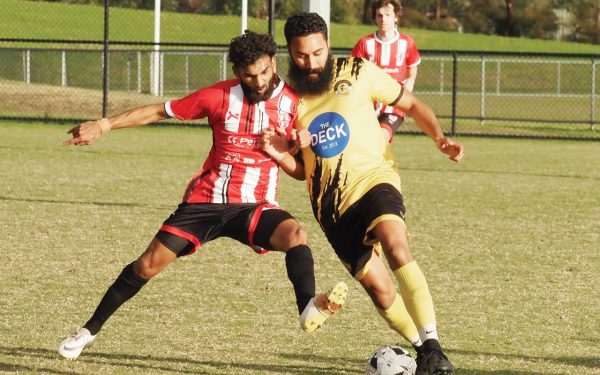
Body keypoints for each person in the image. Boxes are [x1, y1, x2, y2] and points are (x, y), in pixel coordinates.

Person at [57, 30, 348, 361]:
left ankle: (307, 308)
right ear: (238, 72)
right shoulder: (218, 96)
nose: (259, 81)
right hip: (205, 203)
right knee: (146, 266)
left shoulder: (295, 104)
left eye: (264, 72)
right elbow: (158, 111)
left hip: (255, 206)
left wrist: (290, 148)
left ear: (273, 62)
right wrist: (103, 125)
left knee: (296, 234)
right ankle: (89, 330)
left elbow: (298, 170)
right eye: (250, 75)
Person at [265, 13, 464, 375]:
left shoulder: (357, 71)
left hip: (375, 180)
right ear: (289, 55)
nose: (311, 63)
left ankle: (434, 345)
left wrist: (440, 139)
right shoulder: (288, 101)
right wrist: (282, 154)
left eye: (317, 53)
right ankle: (423, 353)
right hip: (333, 209)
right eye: (301, 56)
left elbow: (413, 105)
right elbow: (301, 171)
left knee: (396, 244)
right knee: (382, 293)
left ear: (328, 45)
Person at [351, 0, 421, 141]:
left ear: (396, 17)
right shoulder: (365, 43)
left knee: (382, 138)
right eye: (379, 15)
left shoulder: (407, 43)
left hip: (395, 105)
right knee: (367, 142)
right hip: (368, 105)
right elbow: (353, 71)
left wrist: (411, 80)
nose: (383, 19)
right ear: (375, 18)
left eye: (388, 15)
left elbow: (412, 65)